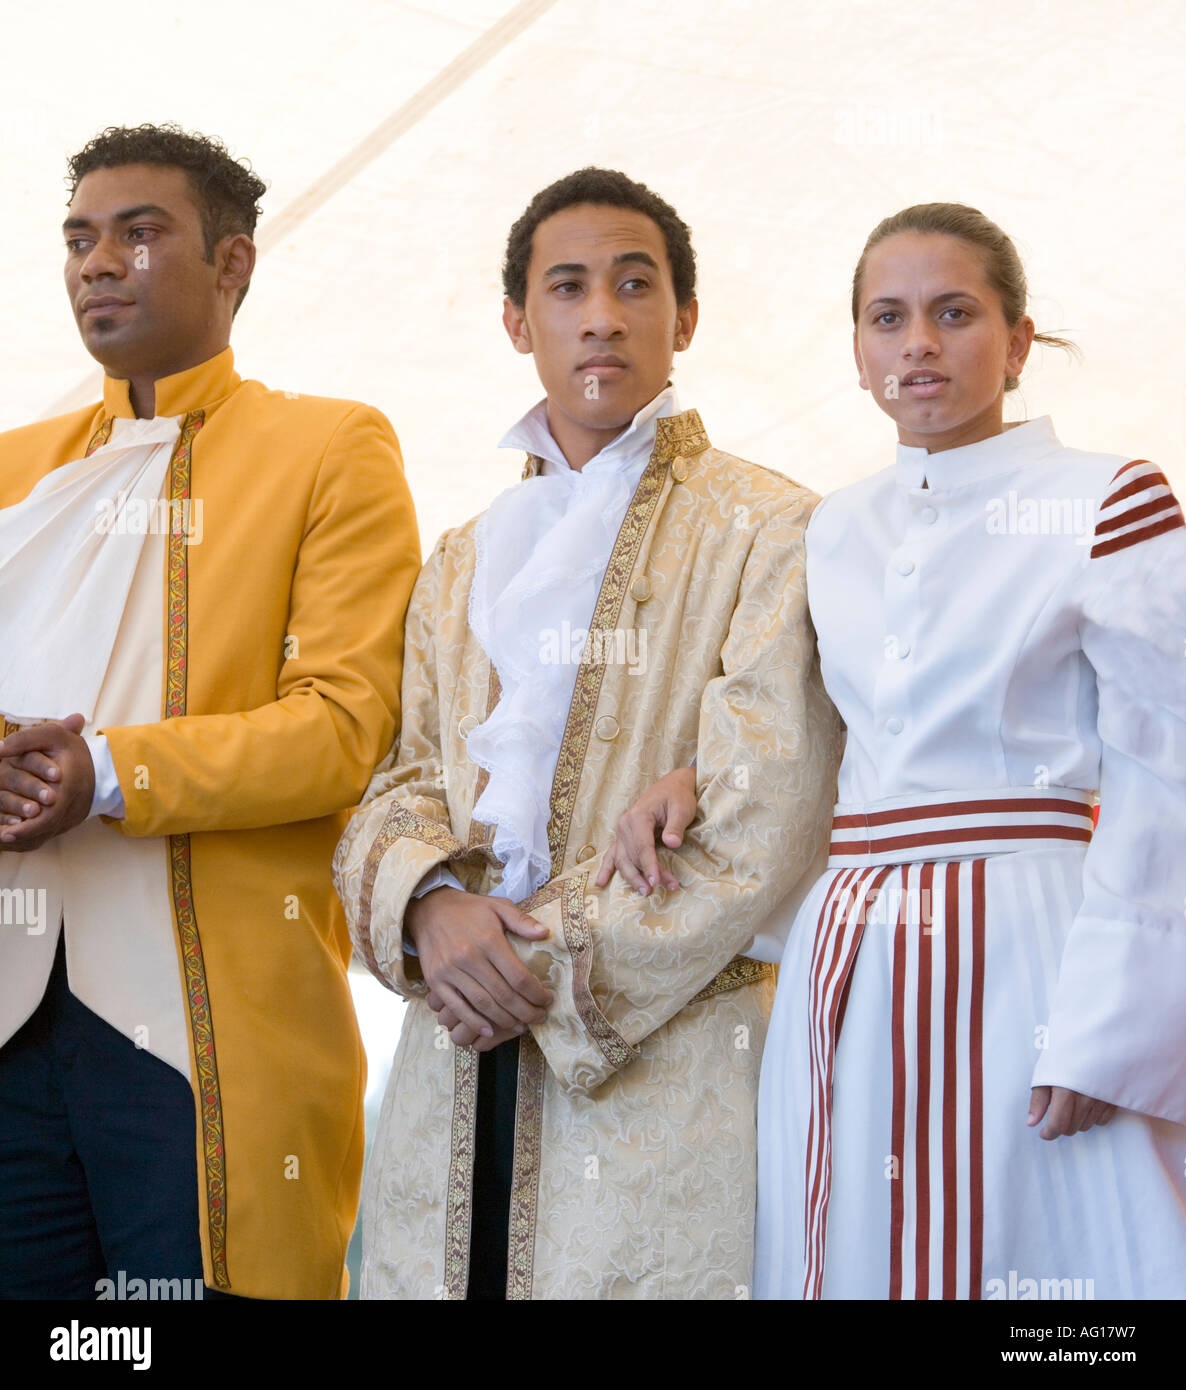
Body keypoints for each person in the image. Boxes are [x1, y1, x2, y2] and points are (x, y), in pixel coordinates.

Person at [603, 202, 1186, 1299]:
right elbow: (803, 731)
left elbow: (1171, 773)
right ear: (859, 349)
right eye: (888, 318)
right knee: (856, 1243)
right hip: (852, 953)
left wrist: (1111, 1024)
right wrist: (695, 778)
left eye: (953, 312)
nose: (917, 343)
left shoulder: (1109, 498)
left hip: (1037, 947)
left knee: (1059, 1250)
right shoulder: (831, 527)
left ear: (1016, 341)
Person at [332, 167, 842, 1300]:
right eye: (567, 288)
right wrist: (430, 907)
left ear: (686, 318)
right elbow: (400, 777)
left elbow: (770, 802)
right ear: (519, 321)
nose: (601, 314)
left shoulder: (772, 527)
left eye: (634, 283)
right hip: (452, 1055)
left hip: (659, 1053)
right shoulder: (462, 551)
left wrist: (522, 954)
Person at [0, 124, 420, 1300]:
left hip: (200, 1032)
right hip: (11, 1016)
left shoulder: (326, 446)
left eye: (141, 234)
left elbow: (343, 725)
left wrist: (106, 774)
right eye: (81, 239)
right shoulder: (13, 470)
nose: (99, 263)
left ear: (233, 264)